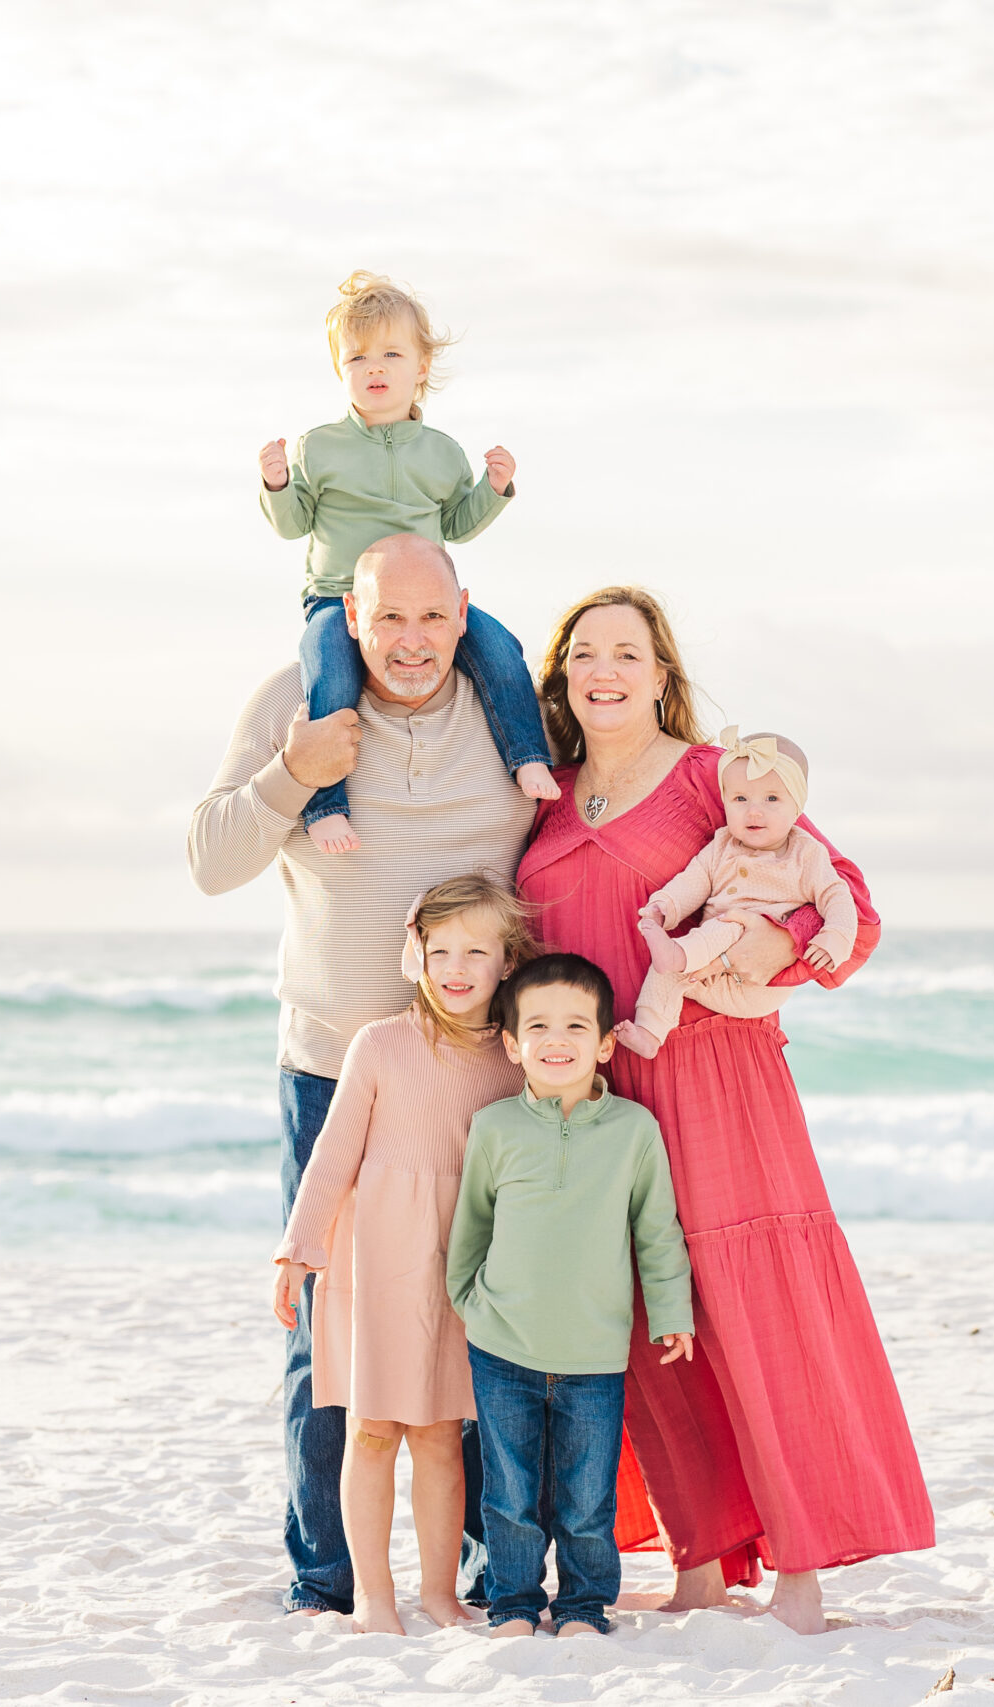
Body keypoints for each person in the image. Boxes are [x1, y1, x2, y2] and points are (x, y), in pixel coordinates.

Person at [512, 586, 936, 1635]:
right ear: (561, 678)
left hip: (714, 1069)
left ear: (662, 673)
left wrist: (769, 946)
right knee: (650, 1321)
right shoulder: (542, 795)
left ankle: (801, 1562)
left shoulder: (716, 778)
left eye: (629, 652)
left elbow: (844, 897)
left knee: (755, 1308)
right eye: (584, 655)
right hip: (596, 1085)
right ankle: (702, 1558)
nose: (604, 670)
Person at [188, 533, 539, 1617]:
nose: (412, 642)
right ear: (351, 615)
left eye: (435, 618)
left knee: (487, 1327)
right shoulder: (296, 698)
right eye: (390, 617)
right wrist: (296, 771)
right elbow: (210, 859)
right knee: (325, 1336)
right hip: (333, 1071)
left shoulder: (504, 702)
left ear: (465, 614)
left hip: (483, 1077)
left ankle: (485, 1570)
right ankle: (325, 1577)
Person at [268, 873, 535, 1634]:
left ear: (507, 961)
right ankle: (375, 1598)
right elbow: (332, 1152)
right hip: (378, 1258)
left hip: (462, 1264)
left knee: (443, 1435)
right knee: (373, 1428)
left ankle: (440, 1594)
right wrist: (298, 1248)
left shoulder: (513, 1058)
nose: (456, 966)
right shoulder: (379, 1043)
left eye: (476, 951)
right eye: (440, 947)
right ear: (412, 954)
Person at [258, 271, 559, 855]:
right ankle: (326, 804)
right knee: (329, 671)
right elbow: (293, 523)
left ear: (421, 368)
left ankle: (526, 757)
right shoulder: (318, 447)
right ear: (340, 370)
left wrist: (494, 489)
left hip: (427, 604)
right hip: (338, 596)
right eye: (357, 357)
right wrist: (276, 483)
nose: (375, 368)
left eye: (392, 354)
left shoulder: (442, 452)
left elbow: (456, 526)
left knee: (501, 649)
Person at [445, 952, 697, 1639]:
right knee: (509, 1495)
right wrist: (470, 1303)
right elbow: (470, 1227)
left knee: (587, 1497)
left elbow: (657, 1231)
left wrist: (672, 1312)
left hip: (594, 1352)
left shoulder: (633, 1131)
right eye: (540, 1026)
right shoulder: (495, 1127)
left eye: (576, 1026)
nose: (558, 1040)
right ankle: (515, 1603)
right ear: (512, 1042)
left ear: (606, 1041)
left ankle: (584, 1605)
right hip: (501, 1348)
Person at [612, 727, 858, 1060]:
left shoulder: (805, 853)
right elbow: (693, 880)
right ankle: (650, 1033)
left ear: (796, 807)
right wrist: (662, 907)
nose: (754, 811)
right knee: (666, 972)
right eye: (740, 799)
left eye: (771, 799)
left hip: (758, 984)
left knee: (729, 925)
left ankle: (679, 955)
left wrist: (836, 938)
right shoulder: (722, 845)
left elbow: (837, 896)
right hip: (710, 975)